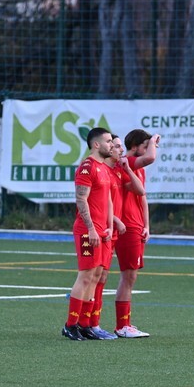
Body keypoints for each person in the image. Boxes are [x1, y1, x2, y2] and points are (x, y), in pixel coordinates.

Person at [90, 135, 145, 340]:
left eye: (120, 146)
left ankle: (92, 324)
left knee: (101, 276)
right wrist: (114, 221)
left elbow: (141, 192)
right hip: (98, 230)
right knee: (93, 276)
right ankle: (85, 324)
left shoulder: (117, 172)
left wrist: (128, 169)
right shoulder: (96, 169)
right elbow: (91, 202)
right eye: (115, 145)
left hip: (110, 231)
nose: (120, 150)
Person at [61, 128, 114, 341]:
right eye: (108, 141)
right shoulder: (87, 167)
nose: (112, 144)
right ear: (96, 144)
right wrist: (91, 228)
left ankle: (84, 325)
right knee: (85, 276)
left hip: (101, 230)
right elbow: (81, 199)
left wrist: (108, 227)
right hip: (87, 230)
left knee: (95, 276)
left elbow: (106, 200)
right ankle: (70, 325)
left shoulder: (104, 167)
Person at [113, 129, 161, 338]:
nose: (149, 149)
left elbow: (142, 197)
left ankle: (124, 324)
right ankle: (122, 325)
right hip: (127, 226)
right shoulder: (129, 162)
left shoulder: (136, 168)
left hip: (136, 225)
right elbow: (150, 158)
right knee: (128, 275)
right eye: (145, 145)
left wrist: (147, 225)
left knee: (130, 276)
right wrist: (155, 139)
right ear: (134, 147)